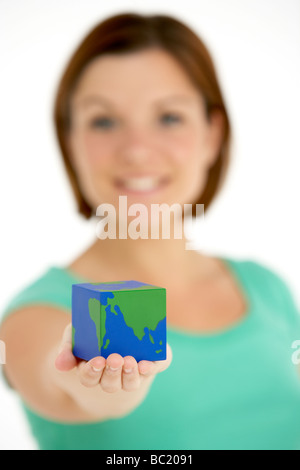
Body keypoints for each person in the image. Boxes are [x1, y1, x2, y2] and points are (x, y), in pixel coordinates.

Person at [1, 11, 300, 451]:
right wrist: (103, 385)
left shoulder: (266, 287)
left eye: (169, 117)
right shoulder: (34, 318)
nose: (137, 150)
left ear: (212, 136)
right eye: (103, 121)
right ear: (70, 141)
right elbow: (63, 381)